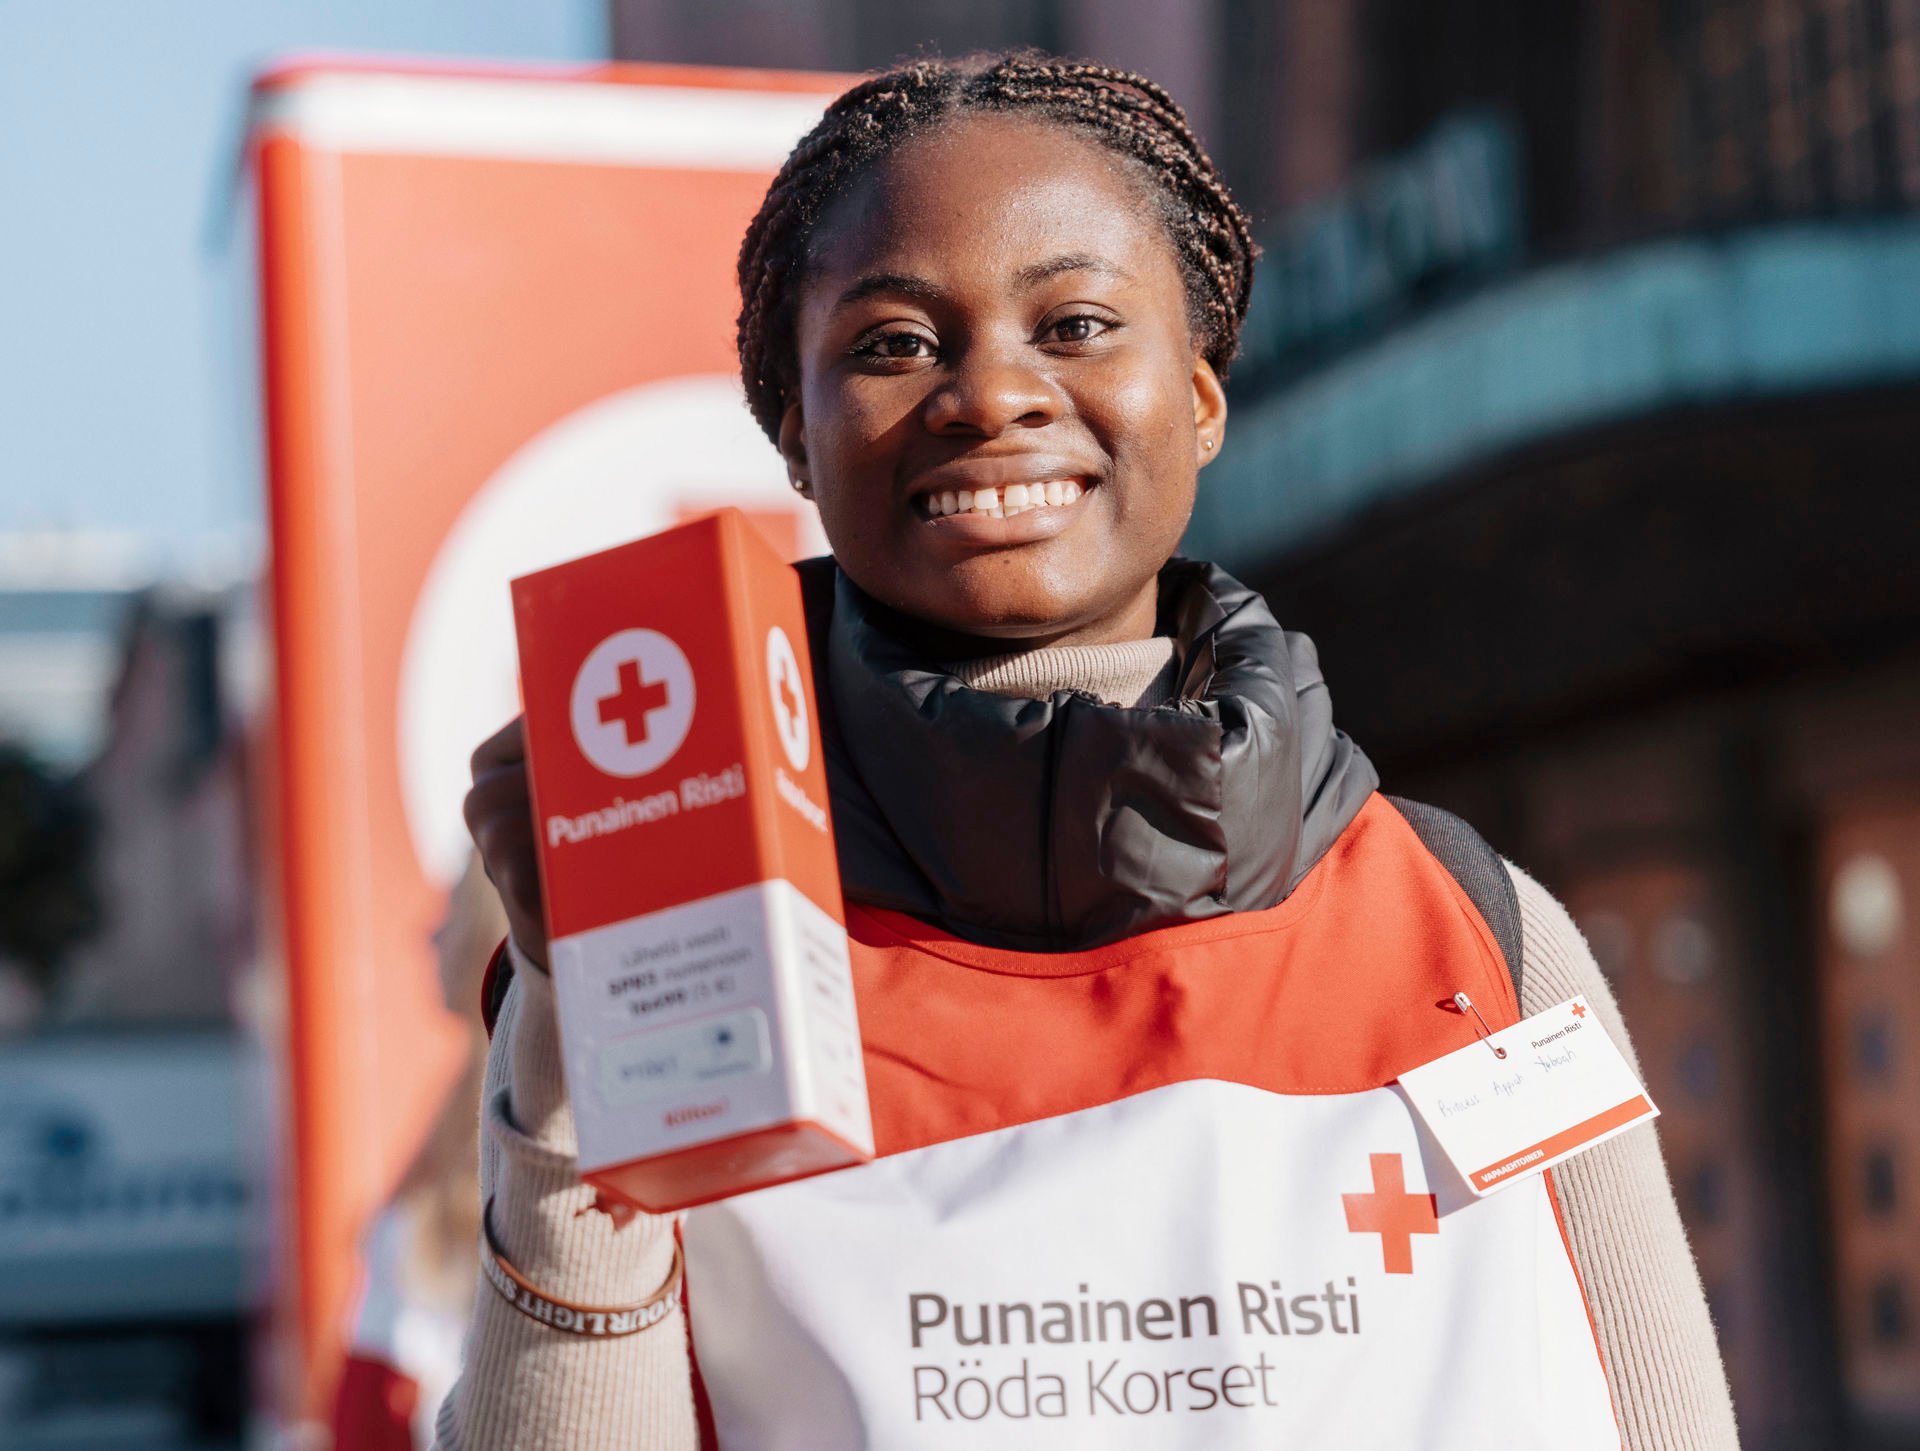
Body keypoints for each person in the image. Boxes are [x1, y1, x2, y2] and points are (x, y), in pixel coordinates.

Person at [443, 52, 1739, 1450]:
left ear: (1200, 397)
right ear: (793, 437)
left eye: (1073, 321)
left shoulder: (1474, 930)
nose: (990, 393)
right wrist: (578, 1044)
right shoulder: (686, 936)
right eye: (891, 343)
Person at [332, 854, 505, 1449]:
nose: (430, 935)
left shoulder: (510, 1113)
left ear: (488, 933)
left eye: (453, 912)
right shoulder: (459, 1101)